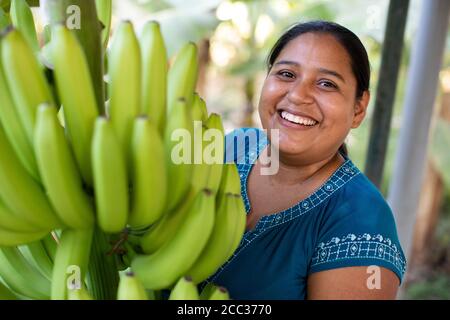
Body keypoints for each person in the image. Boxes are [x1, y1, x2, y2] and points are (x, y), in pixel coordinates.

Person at [200, 20, 406, 300]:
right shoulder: (232, 146)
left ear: (358, 109)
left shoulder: (362, 221)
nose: (297, 95)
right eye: (286, 74)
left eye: (326, 83)